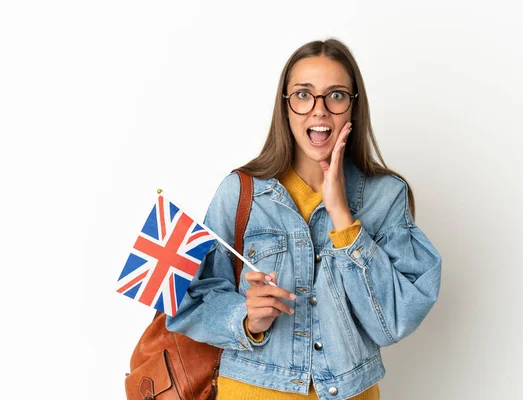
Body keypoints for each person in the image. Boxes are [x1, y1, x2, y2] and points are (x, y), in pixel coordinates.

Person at [166, 38, 442, 400]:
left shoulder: (385, 196)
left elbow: (393, 321)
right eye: (303, 95)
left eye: (336, 95)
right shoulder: (241, 192)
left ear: (353, 108)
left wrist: (343, 218)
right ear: (285, 108)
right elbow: (188, 299)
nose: (319, 110)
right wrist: (245, 319)